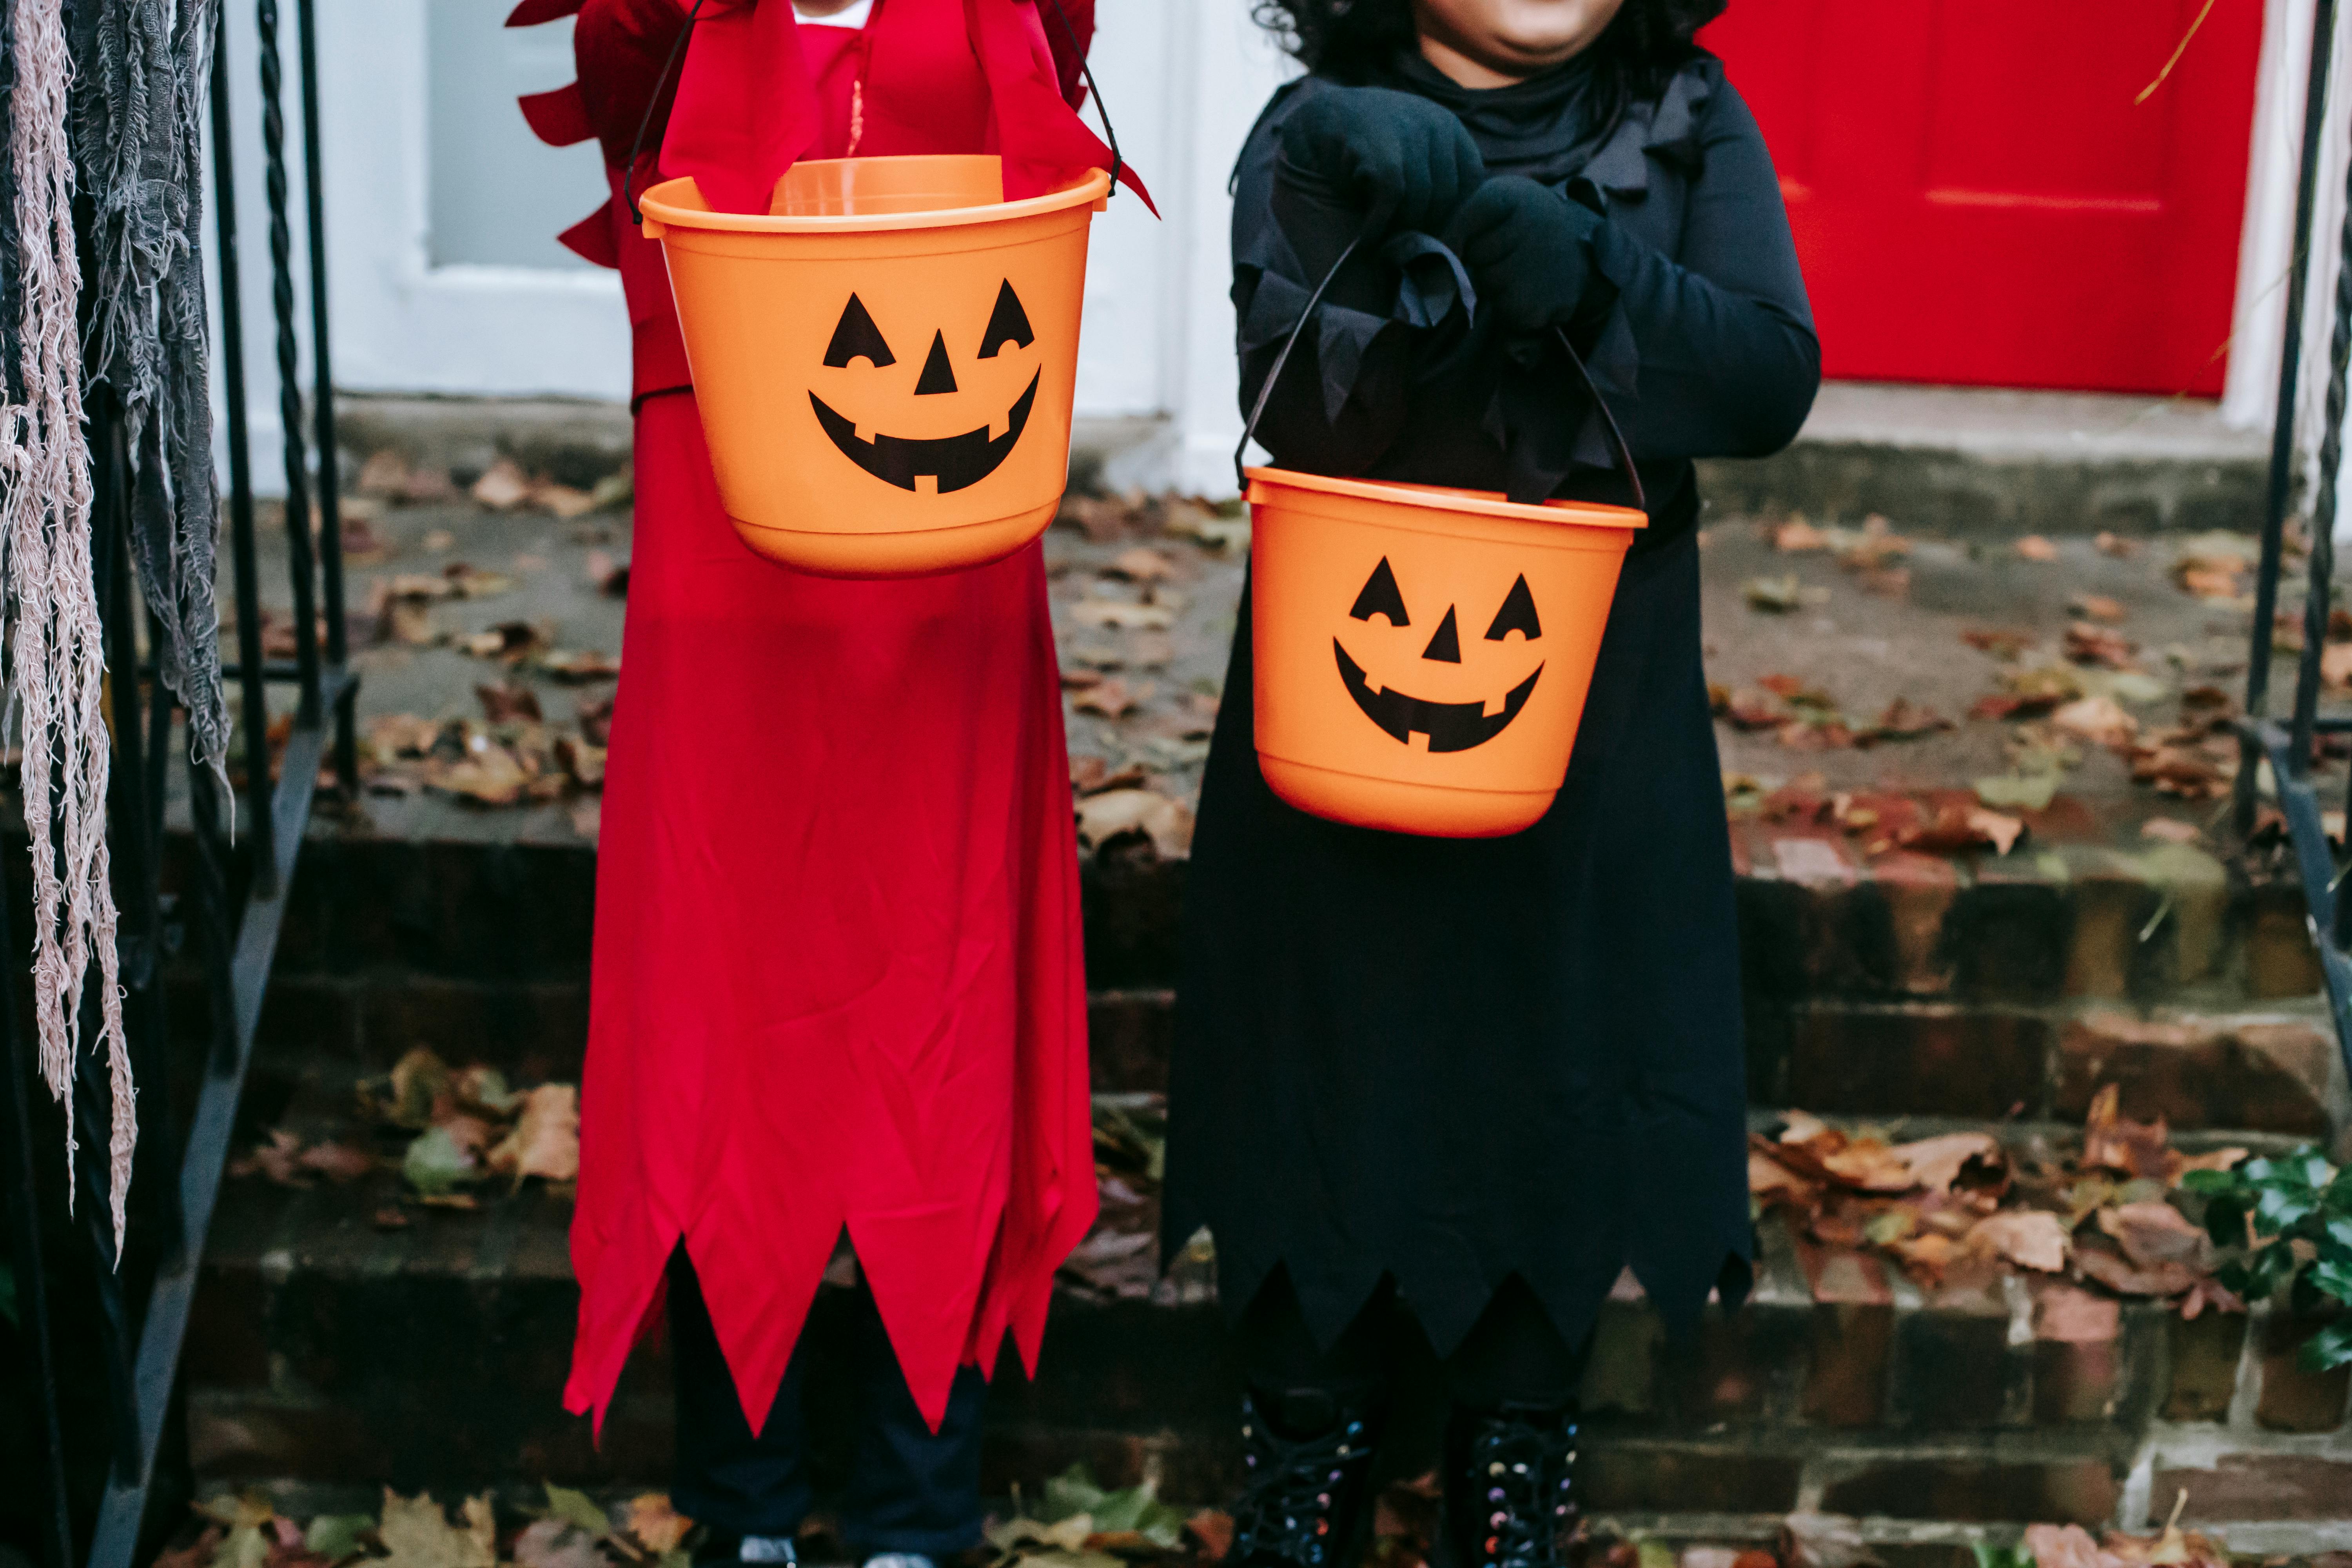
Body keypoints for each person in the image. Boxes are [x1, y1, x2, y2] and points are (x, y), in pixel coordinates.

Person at [1164, 2, 1818, 1566]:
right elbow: (1299, 396)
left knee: (1560, 1048)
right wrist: (1353, 221)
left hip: (1596, 695)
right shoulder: (1312, 127)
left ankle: (1512, 1456)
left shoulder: (1687, 117)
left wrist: (1601, 280)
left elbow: (1766, 381)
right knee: (1323, 1042)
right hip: (1355, 684)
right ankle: (1301, 1449)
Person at [501, 2, 1133, 1564]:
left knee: (945, 999)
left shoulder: (1013, 14)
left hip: (951, 588)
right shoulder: (671, 23)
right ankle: (747, 1509)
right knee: (733, 1014)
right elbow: (629, 50)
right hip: (732, 588)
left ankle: (923, 1509)